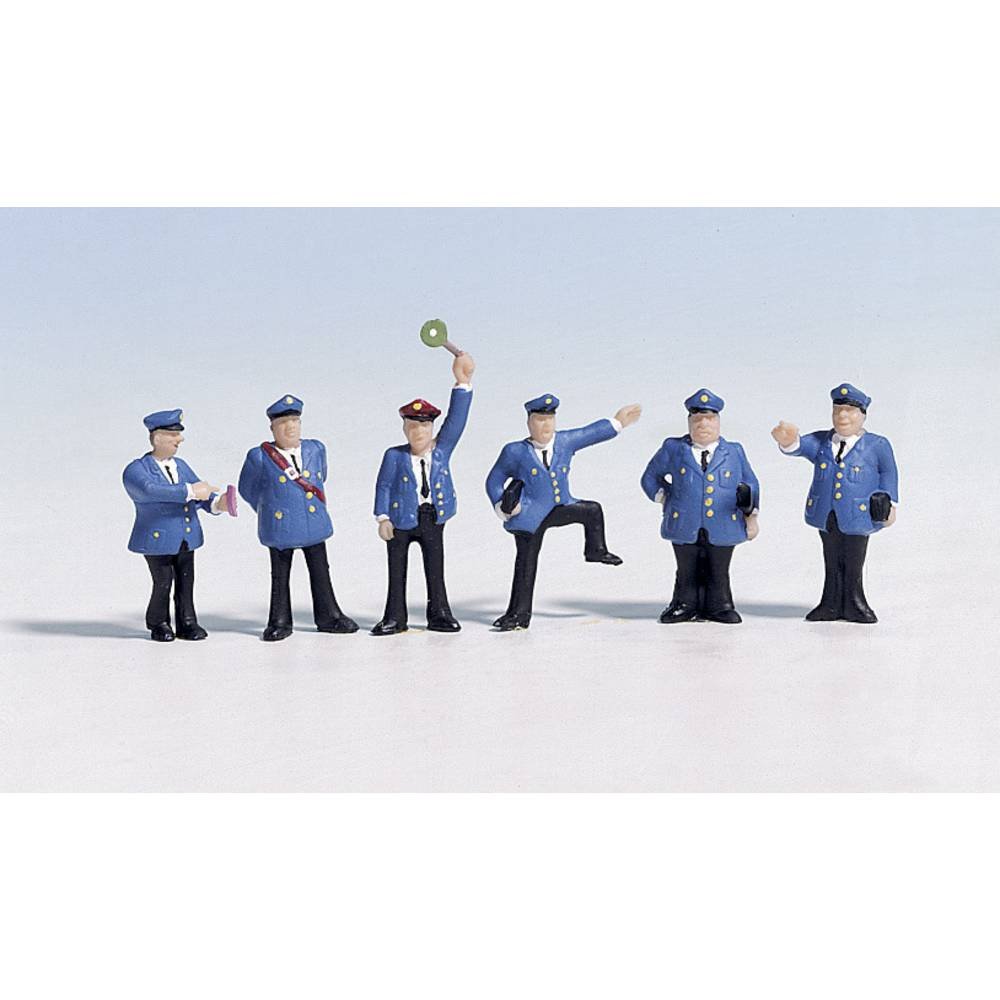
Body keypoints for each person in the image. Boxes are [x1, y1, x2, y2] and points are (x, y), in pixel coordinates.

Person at [485, 394, 642, 630]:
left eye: (550, 419)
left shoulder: (565, 442)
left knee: (591, 510)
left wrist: (617, 422)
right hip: (530, 516)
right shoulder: (514, 451)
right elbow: (494, 480)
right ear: (529, 422)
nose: (546, 425)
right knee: (526, 564)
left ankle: (595, 550)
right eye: (540, 420)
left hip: (561, 506)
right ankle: (518, 615)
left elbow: (589, 433)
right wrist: (503, 506)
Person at [772, 382, 898, 623]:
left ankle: (854, 602)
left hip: (859, 514)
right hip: (826, 513)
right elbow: (799, 446)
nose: (842, 416)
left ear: (862, 415)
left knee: (854, 560)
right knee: (831, 558)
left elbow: (889, 473)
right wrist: (788, 441)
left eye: (849, 411)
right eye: (837, 410)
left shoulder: (877, 445)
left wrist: (890, 503)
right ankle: (829, 603)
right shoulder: (822, 441)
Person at [370, 352, 475, 635]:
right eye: (413, 426)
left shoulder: (441, 451)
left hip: (432, 516)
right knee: (396, 571)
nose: (419, 432)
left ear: (432, 428)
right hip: (400, 520)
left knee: (435, 568)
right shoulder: (394, 455)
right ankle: (394, 617)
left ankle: (439, 613)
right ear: (405, 428)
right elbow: (383, 486)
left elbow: (456, 422)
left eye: (425, 425)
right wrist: (382, 518)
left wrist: (462, 383)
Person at [238, 395, 358, 641]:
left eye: (295, 421)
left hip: (313, 523)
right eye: (283, 423)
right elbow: (247, 489)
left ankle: (329, 616)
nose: (290, 427)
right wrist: (270, 510)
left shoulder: (316, 449)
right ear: (272, 428)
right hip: (281, 526)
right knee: (280, 575)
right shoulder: (259, 456)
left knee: (321, 571)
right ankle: (280, 621)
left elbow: (321, 477)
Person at [640, 389, 760, 624]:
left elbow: (751, 483)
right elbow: (650, 477)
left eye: (710, 419)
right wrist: (665, 497)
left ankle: (720, 605)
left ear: (718, 422)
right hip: (684, 521)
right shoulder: (674, 449)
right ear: (689, 422)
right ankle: (684, 604)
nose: (703, 425)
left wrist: (751, 516)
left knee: (719, 567)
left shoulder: (733, 451)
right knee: (686, 567)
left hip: (724, 521)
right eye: (697, 420)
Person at [123, 408, 232, 642]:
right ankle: (158, 622)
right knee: (163, 581)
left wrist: (217, 503)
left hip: (186, 535)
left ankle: (187, 621)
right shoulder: (137, 470)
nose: (179, 439)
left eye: (178, 434)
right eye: (173, 435)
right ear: (157, 438)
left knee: (186, 580)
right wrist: (190, 491)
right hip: (158, 537)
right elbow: (150, 491)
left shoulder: (180, 465)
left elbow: (199, 491)